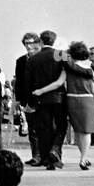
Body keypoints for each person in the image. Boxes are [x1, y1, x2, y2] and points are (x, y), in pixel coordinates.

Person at [51, 41, 94, 170]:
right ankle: (83, 158)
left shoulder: (67, 69)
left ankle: (83, 156)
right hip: (86, 101)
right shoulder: (89, 70)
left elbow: (59, 81)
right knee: (86, 132)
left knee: (78, 131)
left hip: (71, 100)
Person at [26, 30, 66, 169]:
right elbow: (72, 68)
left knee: (44, 129)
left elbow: (28, 83)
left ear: (40, 42)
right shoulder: (61, 54)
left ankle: (47, 159)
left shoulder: (33, 59)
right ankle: (55, 150)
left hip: (40, 99)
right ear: (54, 41)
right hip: (59, 98)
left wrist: (29, 102)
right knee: (61, 126)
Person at [13, 33, 42, 164]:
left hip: (42, 98)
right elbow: (18, 81)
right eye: (26, 43)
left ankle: (44, 155)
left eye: (31, 43)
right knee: (32, 128)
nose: (29, 46)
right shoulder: (21, 61)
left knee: (43, 127)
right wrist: (18, 99)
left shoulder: (43, 58)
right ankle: (36, 155)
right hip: (27, 99)